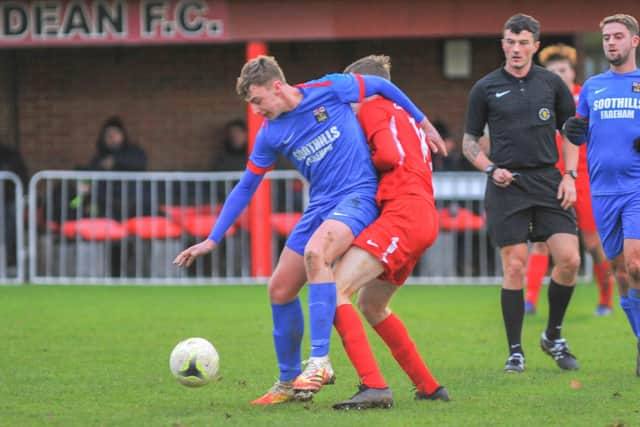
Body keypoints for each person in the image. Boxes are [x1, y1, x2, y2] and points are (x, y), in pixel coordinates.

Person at [173, 55, 446, 404]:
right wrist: (212, 238)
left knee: (318, 255)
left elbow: (380, 84)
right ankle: (288, 383)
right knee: (280, 289)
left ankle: (320, 362)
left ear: (277, 86)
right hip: (320, 206)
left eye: (257, 101)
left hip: (358, 197)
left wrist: (423, 121)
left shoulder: (330, 87)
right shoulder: (270, 134)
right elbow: (246, 186)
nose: (255, 110)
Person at [302, 54, 448, 410]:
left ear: (360, 86)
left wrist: (359, 162)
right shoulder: (406, 115)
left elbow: (388, 155)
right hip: (420, 213)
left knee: (334, 290)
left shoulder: (372, 109)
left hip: (403, 213)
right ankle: (428, 386)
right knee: (372, 304)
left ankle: (374, 386)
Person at [462, 14, 581, 373]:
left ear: (535, 46)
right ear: (503, 44)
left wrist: (570, 175)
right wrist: (488, 167)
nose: (516, 49)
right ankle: (515, 351)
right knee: (515, 266)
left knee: (570, 260)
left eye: (523, 42)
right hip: (507, 185)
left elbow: (572, 131)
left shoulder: (552, 84)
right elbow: (469, 141)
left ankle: (553, 336)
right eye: (510, 42)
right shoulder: (484, 87)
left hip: (548, 181)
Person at [563, 13, 640, 375]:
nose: (611, 42)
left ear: (634, 42)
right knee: (621, 272)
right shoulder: (593, 87)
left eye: (618, 36)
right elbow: (579, 131)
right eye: (607, 37)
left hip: (636, 187)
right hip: (602, 191)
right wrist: (574, 131)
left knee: (636, 263)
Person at [525, 44, 615, 317]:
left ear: (573, 72)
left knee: (593, 243)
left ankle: (605, 299)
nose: (558, 75)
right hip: (550, 179)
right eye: (552, 71)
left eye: (562, 70)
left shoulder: (586, 98)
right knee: (541, 242)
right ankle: (529, 301)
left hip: (585, 178)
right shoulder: (539, 100)